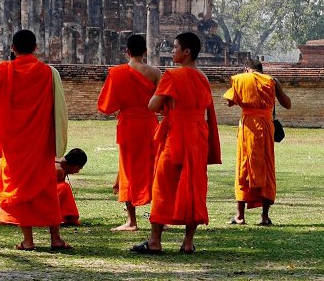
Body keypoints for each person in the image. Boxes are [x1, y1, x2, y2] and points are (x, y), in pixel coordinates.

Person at [132, 32, 221, 255]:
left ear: (186, 51)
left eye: (175, 48)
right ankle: (188, 242)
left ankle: (155, 241)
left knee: (163, 183)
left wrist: (164, 99)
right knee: (194, 185)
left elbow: (153, 105)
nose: (172, 51)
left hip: (178, 134)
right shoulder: (204, 78)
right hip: (199, 135)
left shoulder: (172, 75)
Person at [0, 29, 71, 251]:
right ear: (36, 48)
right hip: (40, 140)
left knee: (20, 188)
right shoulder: (47, 72)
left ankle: (28, 240)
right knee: (46, 188)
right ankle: (55, 238)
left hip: (14, 141)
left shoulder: (1, 71)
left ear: (12, 48)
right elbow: (56, 108)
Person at [97, 33, 161, 231]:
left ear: (127, 52)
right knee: (154, 168)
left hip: (128, 125)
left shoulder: (116, 73)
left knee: (129, 170)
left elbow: (106, 106)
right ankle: (159, 217)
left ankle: (132, 221)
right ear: (145, 51)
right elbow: (161, 103)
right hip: (150, 124)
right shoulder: (155, 73)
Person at [223, 58, 292, 226]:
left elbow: (228, 102)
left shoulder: (241, 79)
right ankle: (265, 217)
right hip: (266, 128)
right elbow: (287, 104)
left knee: (243, 167)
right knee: (267, 167)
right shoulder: (271, 81)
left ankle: (240, 216)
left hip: (247, 128)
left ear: (247, 69)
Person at [55, 148, 88, 227]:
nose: (77, 172)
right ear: (75, 165)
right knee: (64, 187)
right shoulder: (59, 171)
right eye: (78, 168)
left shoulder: (58, 159)